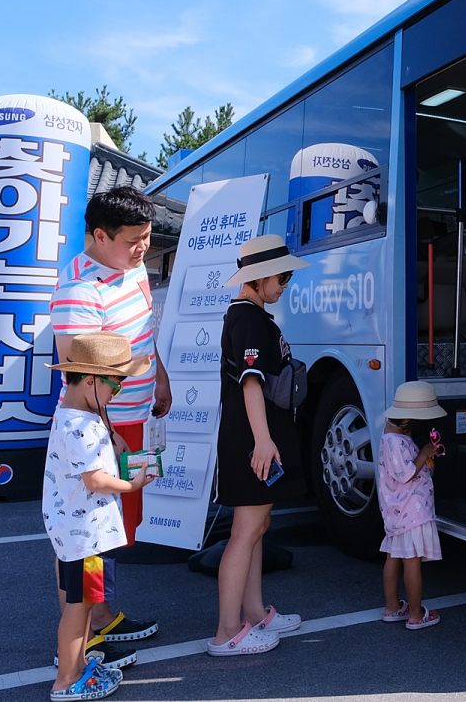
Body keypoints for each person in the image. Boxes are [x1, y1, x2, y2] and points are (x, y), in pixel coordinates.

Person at [50, 186, 169, 650]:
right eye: (133, 240)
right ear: (100, 235)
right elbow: (80, 375)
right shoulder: (78, 290)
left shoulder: (132, 268)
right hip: (102, 429)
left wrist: (159, 376)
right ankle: (84, 635)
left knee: (110, 531)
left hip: (132, 418)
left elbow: (143, 332)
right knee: (87, 535)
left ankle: (98, 617)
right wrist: (110, 432)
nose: (143, 248)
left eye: (147, 237)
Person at [208, 235, 310, 656]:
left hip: (256, 440)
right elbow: (251, 382)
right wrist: (264, 441)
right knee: (246, 531)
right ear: (258, 277)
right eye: (281, 277)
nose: (285, 284)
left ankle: (252, 613)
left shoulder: (252, 315)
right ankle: (227, 631)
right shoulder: (247, 318)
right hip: (252, 443)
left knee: (256, 529)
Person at [43, 332, 156, 700]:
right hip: (86, 536)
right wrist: (132, 485)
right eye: (115, 384)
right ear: (91, 380)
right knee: (80, 607)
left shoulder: (76, 414)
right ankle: (66, 680)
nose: (117, 392)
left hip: (77, 532)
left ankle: (75, 668)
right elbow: (95, 480)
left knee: (82, 603)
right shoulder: (82, 426)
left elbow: (104, 446)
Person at [378, 380, 446, 630]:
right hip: (410, 511)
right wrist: (424, 454)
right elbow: (405, 473)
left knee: (394, 557)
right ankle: (416, 614)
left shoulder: (393, 436)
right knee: (412, 561)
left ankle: (393, 607)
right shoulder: (394, 442)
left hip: (397, 510)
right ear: (408, 420)